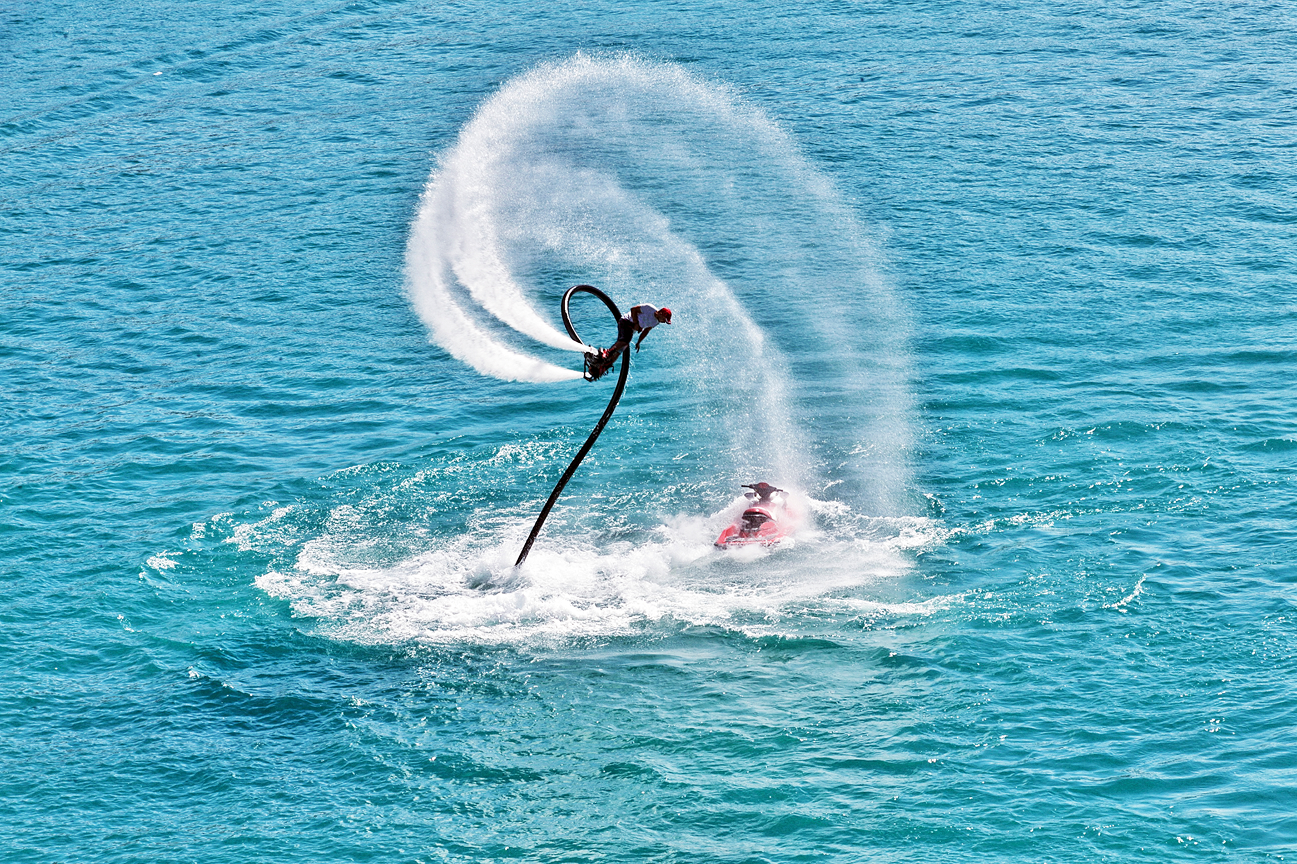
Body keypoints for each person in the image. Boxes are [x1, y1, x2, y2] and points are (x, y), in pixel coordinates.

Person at [587, 304, 672, 379]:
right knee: (625, 341)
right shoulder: (649, 308)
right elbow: (633, 309)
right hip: (626, 322)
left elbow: (646, 331)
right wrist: (636, 323)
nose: (663, 322)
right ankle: (606, 353)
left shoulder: (656, 322)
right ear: (661, 313)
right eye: (664, 320)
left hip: (631, 329)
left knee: (620, 350)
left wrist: (638, 342)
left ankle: (602, 367)